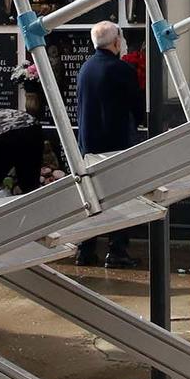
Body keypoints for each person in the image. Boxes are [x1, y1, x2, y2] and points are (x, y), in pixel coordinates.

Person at [73, 21, 144, 267]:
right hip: (116, 142)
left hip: (88, 144)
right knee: (120, 198)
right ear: (116, 42)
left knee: (92, 198)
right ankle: (117, 251)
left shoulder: (85, 68)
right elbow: (137, 105)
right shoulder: (121, 69)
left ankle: (85, 249)